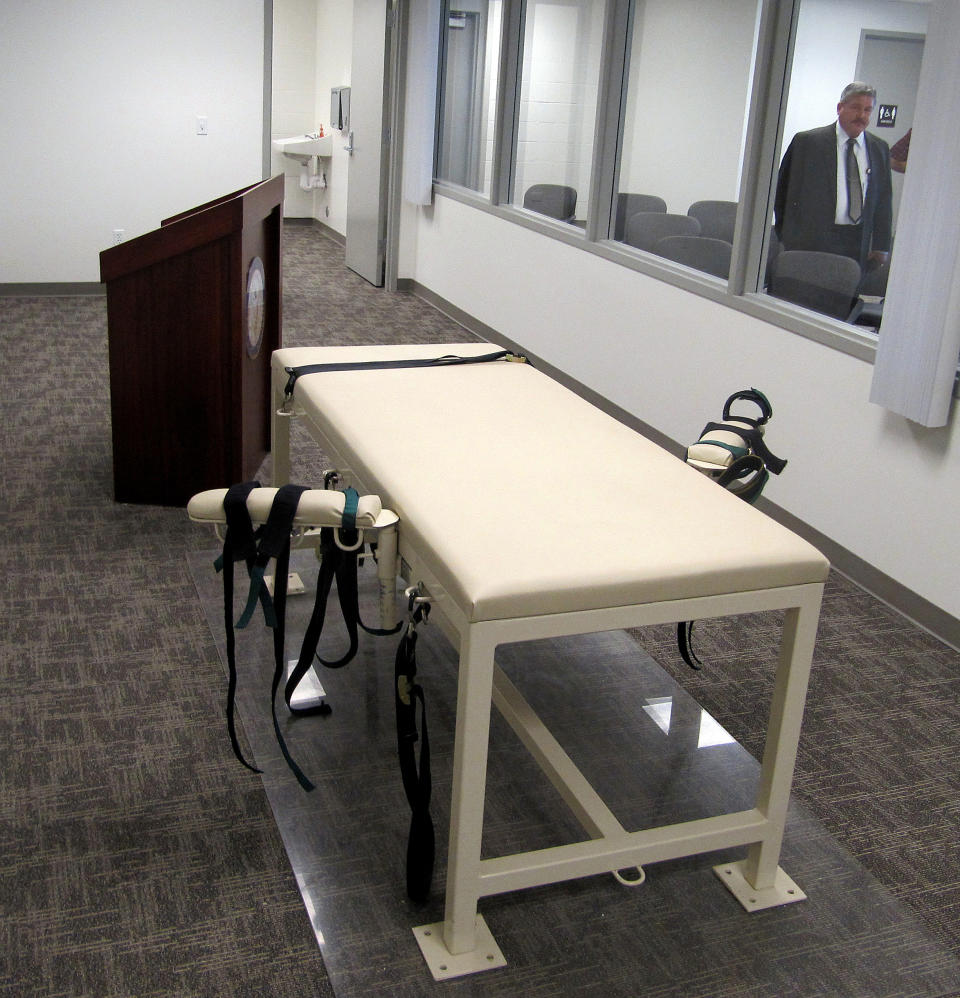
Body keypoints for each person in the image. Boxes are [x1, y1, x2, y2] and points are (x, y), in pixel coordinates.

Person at [774, 82, 892, 273]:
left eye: (868, 110)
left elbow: (884, 200)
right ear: (840, 108)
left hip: (857, 243)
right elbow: (782, 191)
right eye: (855, 108)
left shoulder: (879, 148)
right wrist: (786, 236)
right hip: (811, 241)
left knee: (843, 296)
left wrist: (881, 246)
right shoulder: (808, 142)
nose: (861, 116)